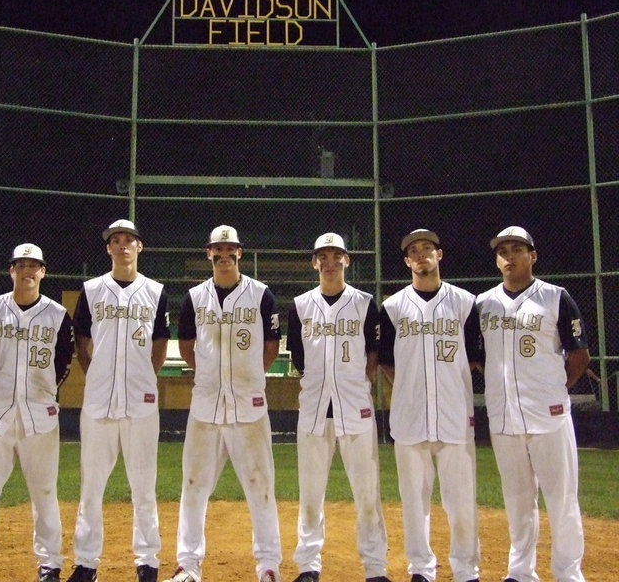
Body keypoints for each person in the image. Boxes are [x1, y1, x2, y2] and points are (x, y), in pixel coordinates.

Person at [163, 224, 283, 582]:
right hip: (206, 406)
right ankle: (188, 565)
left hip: (249, 405)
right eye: (218, 248)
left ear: (240, 253)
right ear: (209, 253)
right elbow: (186, 347)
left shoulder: (261, 295)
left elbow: (271, 347)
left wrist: (246, 378)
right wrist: (213, 376)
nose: (225, 253)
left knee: (260, 485)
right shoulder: (194, 297)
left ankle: (268, 565)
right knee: (194, 484)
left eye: (231, 248)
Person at [476, 226, 590, 582]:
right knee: (517, 501)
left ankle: (568, 573)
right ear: (497, 259)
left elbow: (579, 355)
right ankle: (520, 571)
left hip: (549, 416)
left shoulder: (556, 297)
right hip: (504, 418)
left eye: (517, 249)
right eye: (503, 250)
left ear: (533, 255)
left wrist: (554, 389)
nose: (509, 255)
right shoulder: (483, 304)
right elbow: (478, 357)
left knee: (562, 499)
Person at [0, 243, 75, 582]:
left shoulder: (57, 315)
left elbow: (64, 360)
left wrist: (48, 391)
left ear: (43, 271)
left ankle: (50, 563)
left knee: (44, 492)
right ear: (11, 270)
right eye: (20, 264)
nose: (27, 270)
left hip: (39, 415)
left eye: (33, 265)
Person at [67, 219, 170, 582]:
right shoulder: (92, 289)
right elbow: (81, 339)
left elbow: (160, 341)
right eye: (116, 241)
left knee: (144, 485)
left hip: (140, 401)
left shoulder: (156, 291)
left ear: (139, 247)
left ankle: (147, 561)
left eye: (129, 240)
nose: (122, 246)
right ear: (108, 248)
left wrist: (147, 373)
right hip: (99, 400)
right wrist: (95, 372)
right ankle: (86, 562)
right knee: (91, 485)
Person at [286, 233, 391, 582]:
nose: (330, 262)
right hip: (315, 408)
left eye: (337, 256)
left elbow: (373, 355)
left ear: (346, 260)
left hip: (354, 407)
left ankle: (375, 568)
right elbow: (299, 357)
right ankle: (308, 566)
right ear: (315, 262)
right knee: (311, 492)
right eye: (323, 256)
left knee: (367, 492)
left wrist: (355, 382)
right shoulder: (300, 305)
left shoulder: (364, 303)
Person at [378, 229, 481, 582]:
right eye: (414, 251)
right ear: (407, 261)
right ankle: (421, 569)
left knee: (461, 501)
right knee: (414, 502)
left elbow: (475, 358)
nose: (421, 255)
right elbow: (388, 363)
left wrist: (448, 385)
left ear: (440, 255)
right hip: (409, 419)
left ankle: (466, 570)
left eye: (427, 249)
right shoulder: (391, 309)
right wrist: (411, 389)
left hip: (454, 417)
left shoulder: (466, 303)